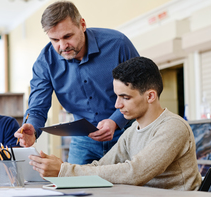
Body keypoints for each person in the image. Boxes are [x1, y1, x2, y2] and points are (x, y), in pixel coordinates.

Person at [26, 57, 202, 190]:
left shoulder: (173, 127)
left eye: (125, 97)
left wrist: (65, 171)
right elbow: (101, 167)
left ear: (150, 96)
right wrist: (60, 170)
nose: (117, 105)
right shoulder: (132, 131)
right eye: (117, 96)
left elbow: (135, 172)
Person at [15, 1, 139, 164]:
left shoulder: (118, 44)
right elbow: (37, 107)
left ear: (82, 24)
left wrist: (115, 121)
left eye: (68, 36)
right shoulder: (45, 62)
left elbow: (140, 89)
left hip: (127, 134)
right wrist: (31, 128)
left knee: (129, 186)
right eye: (54, 39)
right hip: (83, 141)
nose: (62, 46)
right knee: (75, 186)